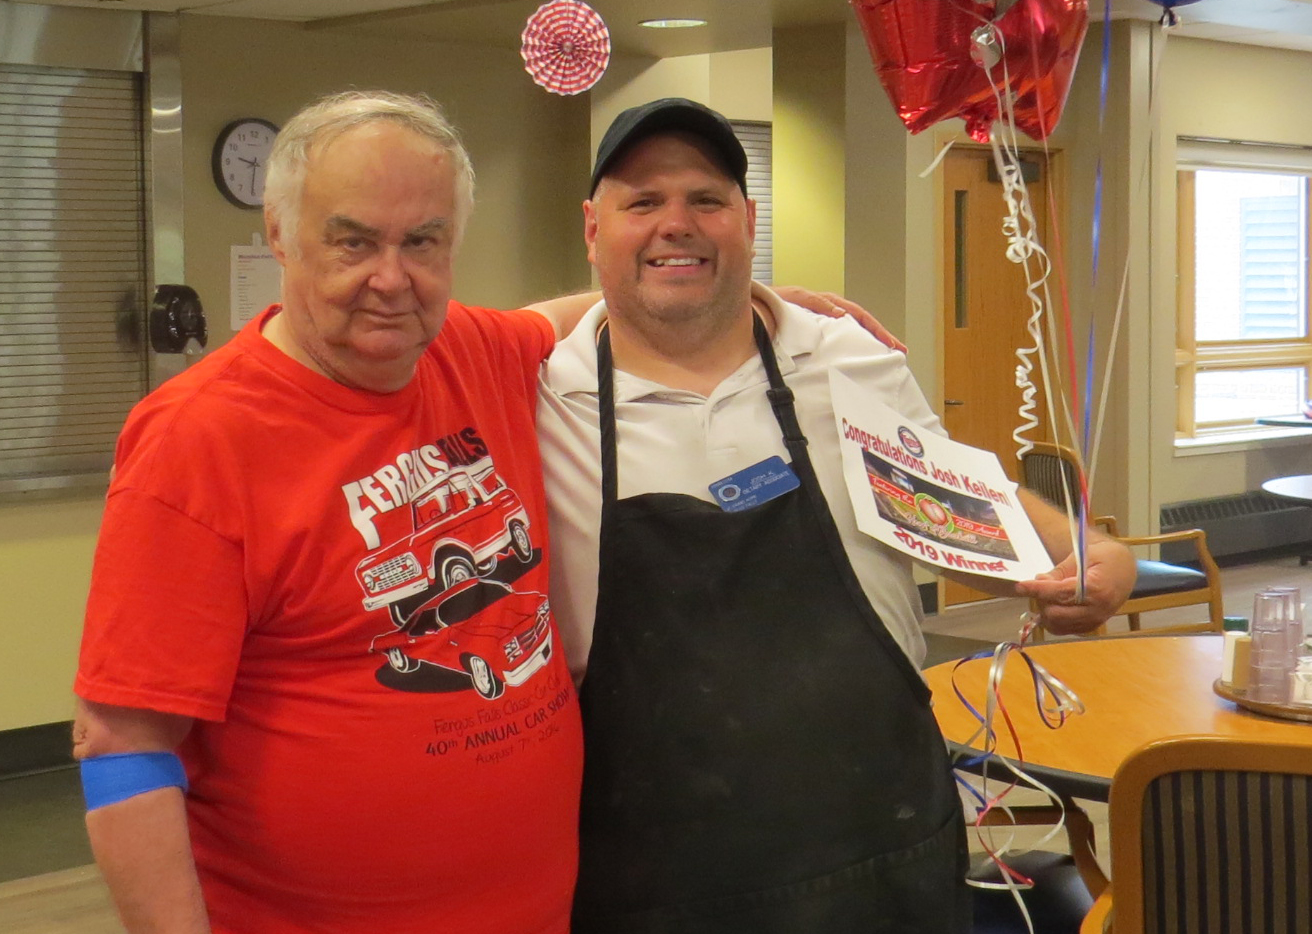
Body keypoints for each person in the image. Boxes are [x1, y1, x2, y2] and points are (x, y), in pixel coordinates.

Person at [536, 98, 1138, 934]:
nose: (677, 225)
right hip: (647, 878)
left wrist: (1090, 552)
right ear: (592, 227)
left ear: (747, 220)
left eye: (706, 201)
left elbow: (958, 512)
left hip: (879, 853)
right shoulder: (535, 391)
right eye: (642, 204)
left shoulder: (844, 357)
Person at [73, 92, 588, 934]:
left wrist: (762, 305)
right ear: (279, 234)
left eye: (421, 242)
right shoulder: (200, 438)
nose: (390, 278)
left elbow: (580, 318)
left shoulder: (471, 350)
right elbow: (122, 747)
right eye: (353, 241)